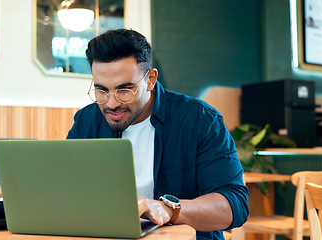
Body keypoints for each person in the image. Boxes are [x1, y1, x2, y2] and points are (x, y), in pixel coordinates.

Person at [67, 29, 249, 239]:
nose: (111, 103)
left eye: (125, 89)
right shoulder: (86, 121)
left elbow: (234, 206)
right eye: (101, 90)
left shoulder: (200, 119)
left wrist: (168, 209)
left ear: (151, 79)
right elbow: (69, 191)